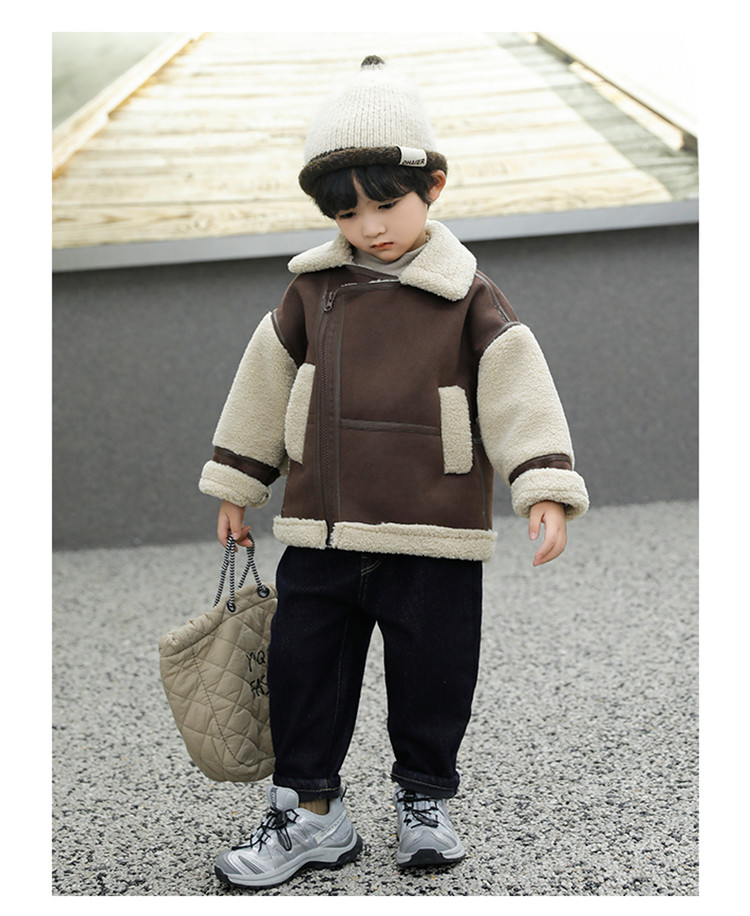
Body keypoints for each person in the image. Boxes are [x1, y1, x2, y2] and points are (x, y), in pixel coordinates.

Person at [199, 55, 589, 890]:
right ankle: (311, 813)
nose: (370, 227)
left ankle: (424, 800)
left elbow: (518, 390)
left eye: (387, 204)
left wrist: (543, 485)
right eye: (348, 212)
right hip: (325, 525)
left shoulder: (467, 296)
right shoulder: (312, 291)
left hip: (432, 525)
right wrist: (238, 483)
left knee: (434, 673)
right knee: (305, 668)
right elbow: (263, 382)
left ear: (434, 186)